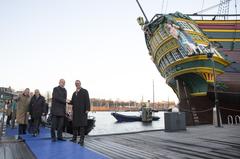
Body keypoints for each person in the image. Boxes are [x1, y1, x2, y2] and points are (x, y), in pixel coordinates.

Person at [69, 80, 90, 146]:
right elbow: (72, 102)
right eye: (76, 83)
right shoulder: (74, 93)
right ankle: (74, 138)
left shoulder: (84, 91)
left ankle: (81, 140)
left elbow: (87, 100)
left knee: (82, 126)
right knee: (74, 126)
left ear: (80, 84)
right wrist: (67, 101)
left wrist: (87, 109)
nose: (77, 84)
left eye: (78, 83)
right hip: (75, 112)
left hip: (82, 111)